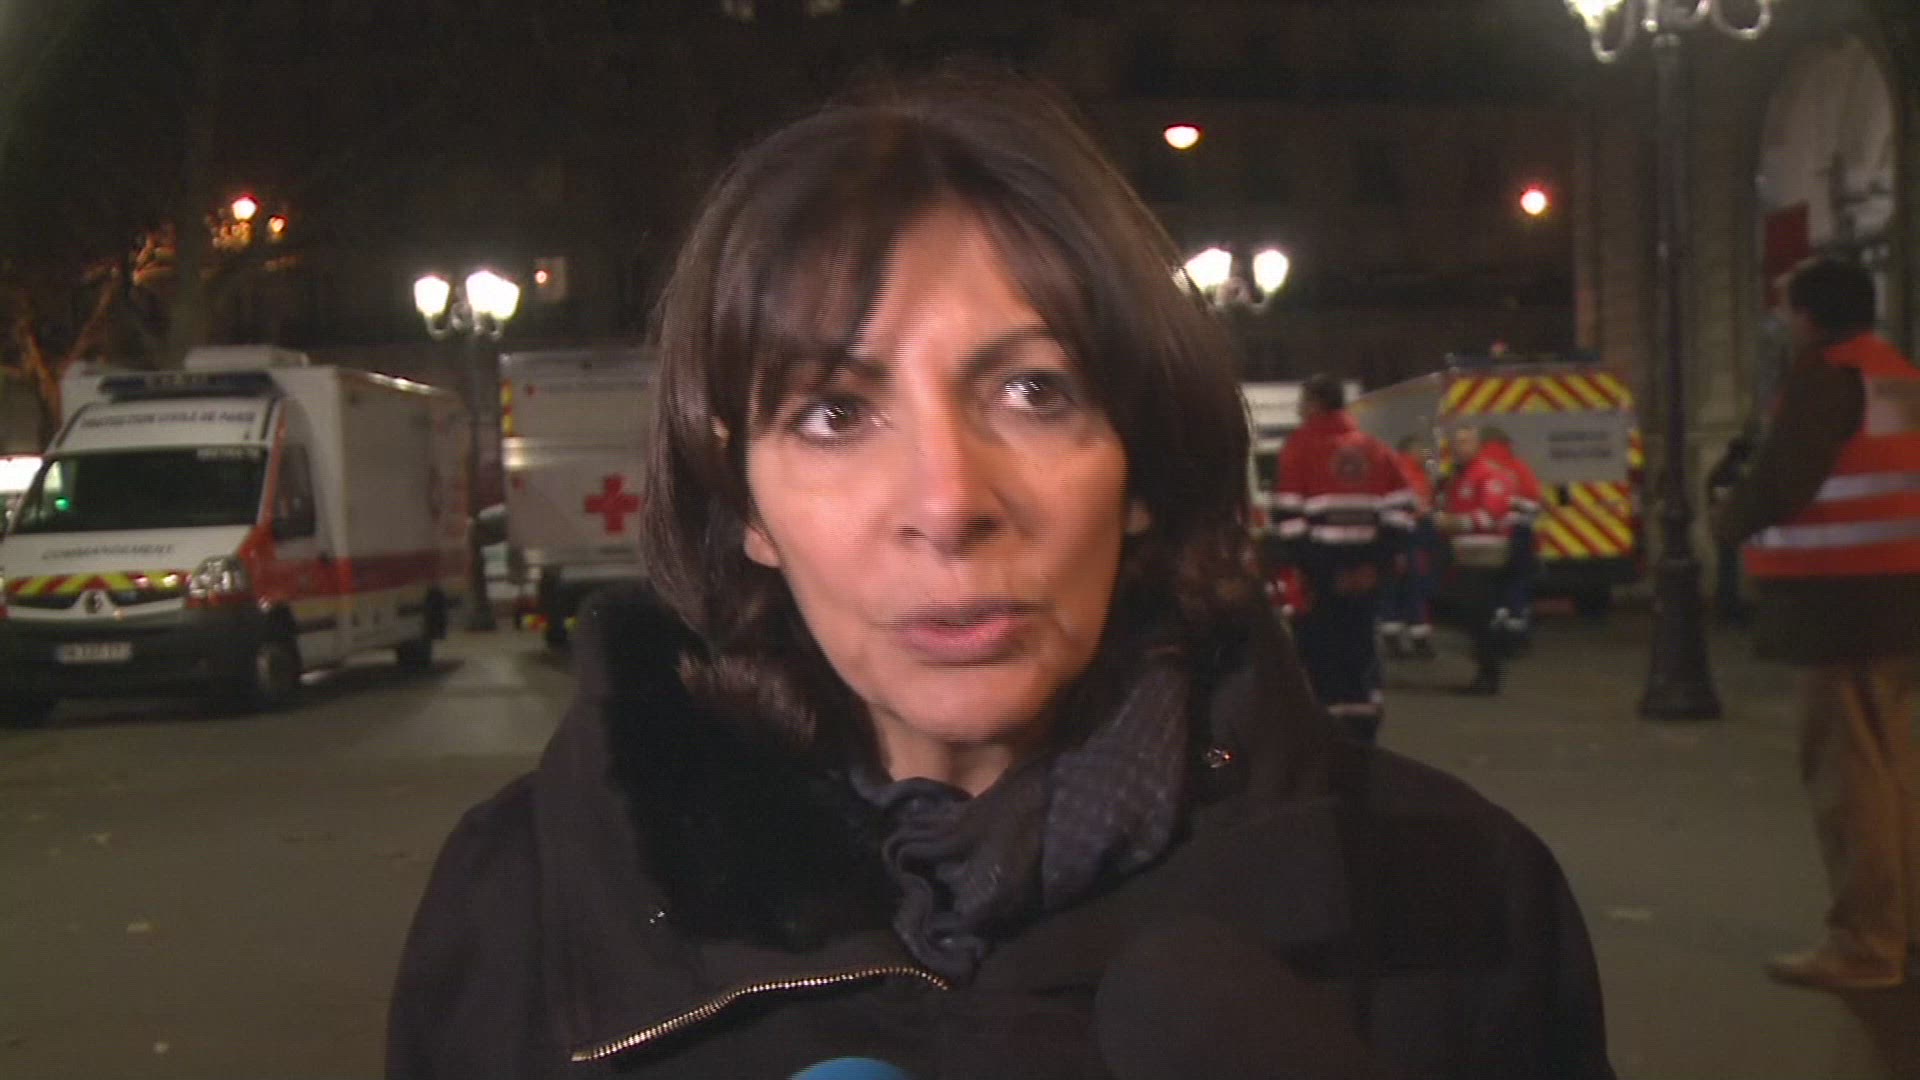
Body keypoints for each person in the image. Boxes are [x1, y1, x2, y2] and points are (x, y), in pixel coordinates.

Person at [387, 73, 1612, 1078]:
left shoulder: (1462, 896)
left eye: (1034, 392)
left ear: (1140, 463)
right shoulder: (519, 908)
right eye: (833, 414)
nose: (948, 502)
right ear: (745, 506)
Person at [1712, 257, 1920, 992]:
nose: (1781, 318)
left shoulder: (1823, 377)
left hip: (1840, 606)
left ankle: (1864, 943)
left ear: (1809, 314)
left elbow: (1782, 480)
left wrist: (1726, 519)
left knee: (1847, 776)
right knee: (1896, 772)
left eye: (1785, 307)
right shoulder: (1894, 374)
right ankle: (1901, 927)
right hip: (1902, 599)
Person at [1269, 374, 1412, 743]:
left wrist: (1315, 569)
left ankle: (1329, 731)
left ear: (1315, 404)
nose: (1299, 410)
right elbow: (1401, 514)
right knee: (1361, 647)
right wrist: (1373, 566)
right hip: (1366, 576)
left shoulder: (1299, 448)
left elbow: (1287, 519)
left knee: (1320, 652)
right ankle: (1363, 725)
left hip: (1320, 577)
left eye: (1303, 402)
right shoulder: (1377, 450)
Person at [1436, 423, 1514, 694]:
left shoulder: (1488, 474)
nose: (1459, 448)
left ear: (1478, 445)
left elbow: (1491, 514)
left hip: (1485, 557)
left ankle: (1489, 675)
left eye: (1465, 442)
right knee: (1472, 617)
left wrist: (1454, 523)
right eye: (1456, 443)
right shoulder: (1462, 476)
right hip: (1467, 557)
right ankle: (1484, 672)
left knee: (1480, 617)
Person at [1479, 426, 1544, 645]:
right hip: (1519, 533)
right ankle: (1517, 634)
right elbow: (1535, 503)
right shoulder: (1520, 468)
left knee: (1491, 586)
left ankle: (1494, 635)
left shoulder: (1477, 469)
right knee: (1517, 583)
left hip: (1489, 535)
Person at [1379, 435, 1438, 659]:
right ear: (1413, 450)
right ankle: (1417, 639)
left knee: (1395, 588)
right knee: (1413, 588)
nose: (1427, 455)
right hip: (1409, 537)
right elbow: (1415, 508)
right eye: (1424, 450)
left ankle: (1394, 637)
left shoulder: (1399, 471)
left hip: (1400, 537)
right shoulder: (1409, 474)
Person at [1704, 434, 1754, 623]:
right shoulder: (1729, 473)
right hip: (1726, 525)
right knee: (1728, 568)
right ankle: (1728, 608)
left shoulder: (1721, 470)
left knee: (1727, 567)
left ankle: (1726, 607)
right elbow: (1730, 501)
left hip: (1721, 524)